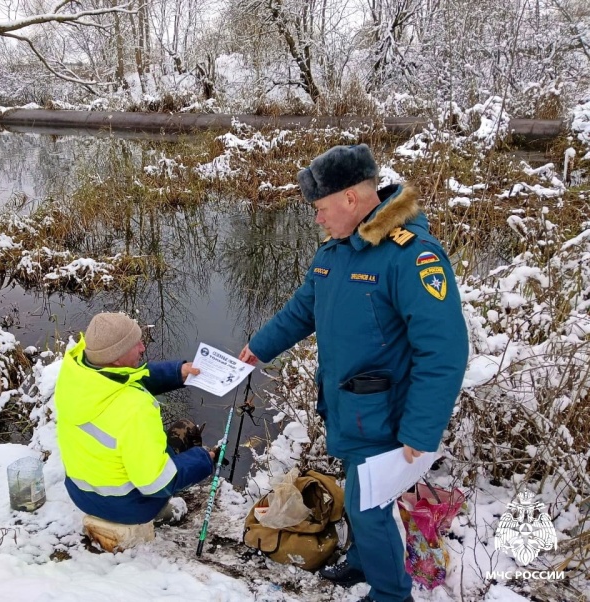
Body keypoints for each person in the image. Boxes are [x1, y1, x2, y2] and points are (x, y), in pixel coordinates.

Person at [239, 144, 469, 602]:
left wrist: (421, 430)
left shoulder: (411, 256)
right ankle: (366, 560)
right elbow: (302, 311)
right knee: (364, 503)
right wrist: (258, 347)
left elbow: (444, 351)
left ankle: (390, 594)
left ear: (350, 199)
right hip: (347, 406)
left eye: (321, 208)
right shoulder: (335, 253)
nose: (317, 219)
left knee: (367, 508)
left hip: (387, 416)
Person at [54, 312, 214, 526]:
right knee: (185, 430)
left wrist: (178, 372)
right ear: (117, 358)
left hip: (81, 495)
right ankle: (163, 511)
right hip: (129, 507)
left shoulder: (75, 376)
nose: (142, 348)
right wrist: (203, 459)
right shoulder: (134, 408)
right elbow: (156, 484)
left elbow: (128, 378)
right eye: (136, 344)